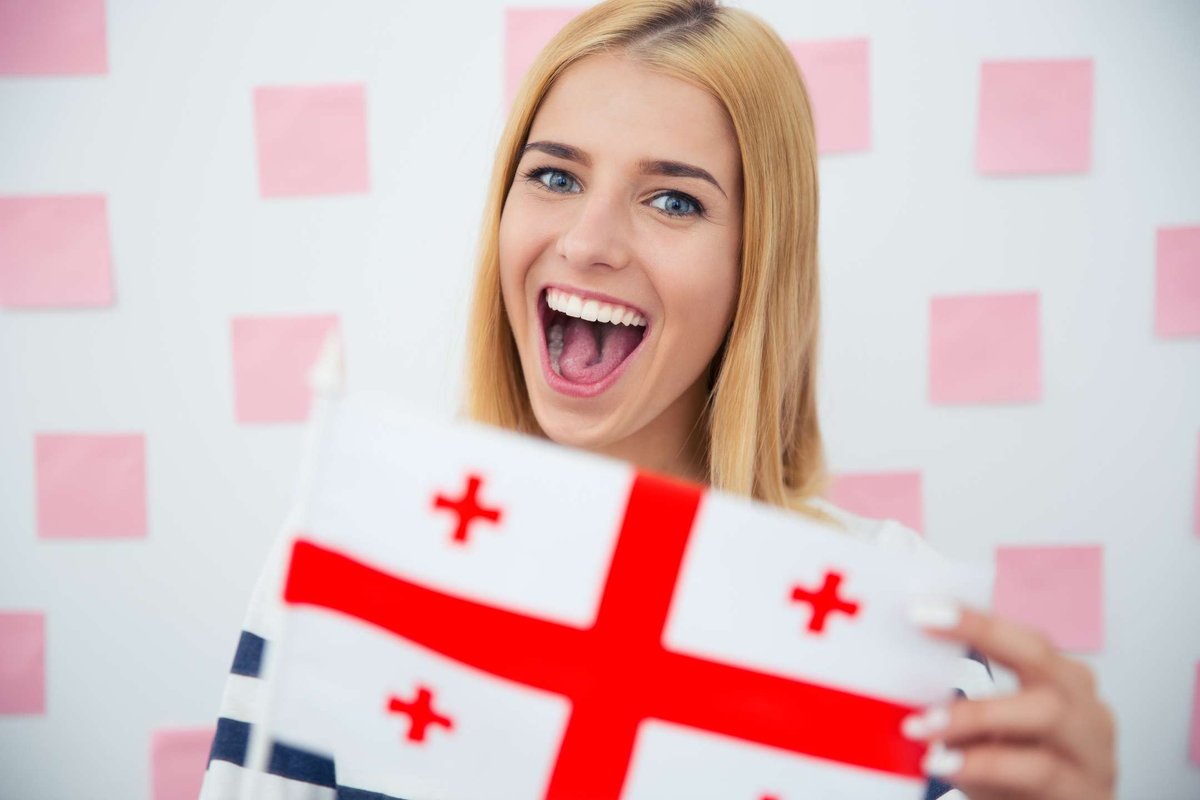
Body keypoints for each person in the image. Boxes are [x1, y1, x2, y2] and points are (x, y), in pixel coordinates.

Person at [202, 1, 1116, 798]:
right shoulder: (344, 558)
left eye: (674, 201)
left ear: (755, 265)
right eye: (555, 176)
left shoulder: (895, 633)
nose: (589, 242)